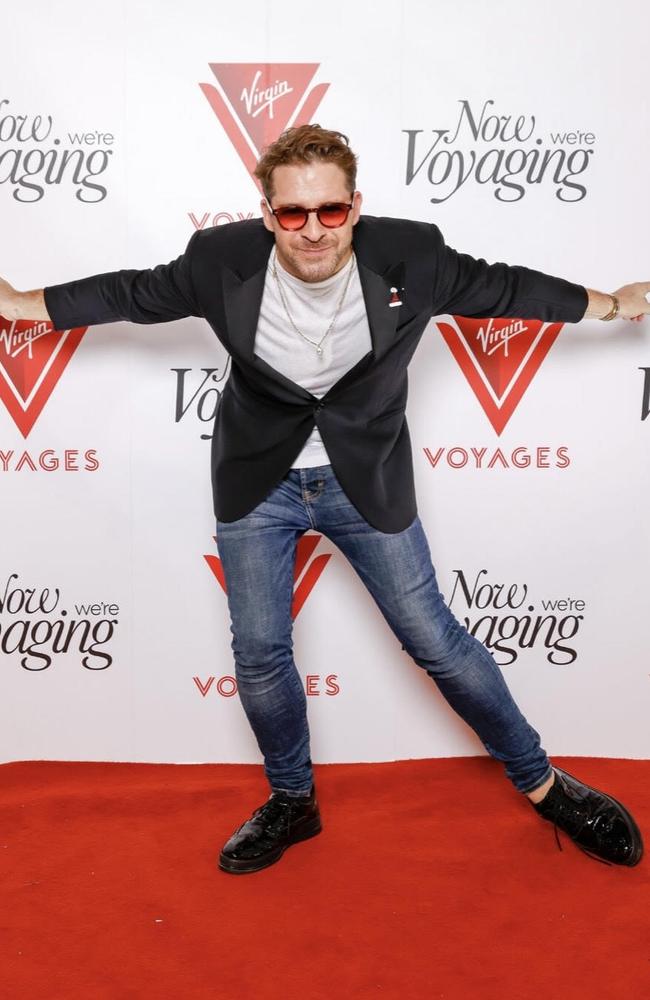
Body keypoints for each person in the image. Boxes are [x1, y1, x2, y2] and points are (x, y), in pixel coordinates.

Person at [2, 125, 647, 875]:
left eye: (331, 212)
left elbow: (505, 286)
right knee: (260, 653)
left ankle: (542, 783)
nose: (313, 231)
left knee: (437, 642)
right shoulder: (220, 261)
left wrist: (607, 303)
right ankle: (292, 801)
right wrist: (22, 302)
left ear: (356, 206)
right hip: (258, 480)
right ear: (268, 212)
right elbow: (129, 293)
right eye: (293, 214)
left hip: (363, 476)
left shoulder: (414, 254)